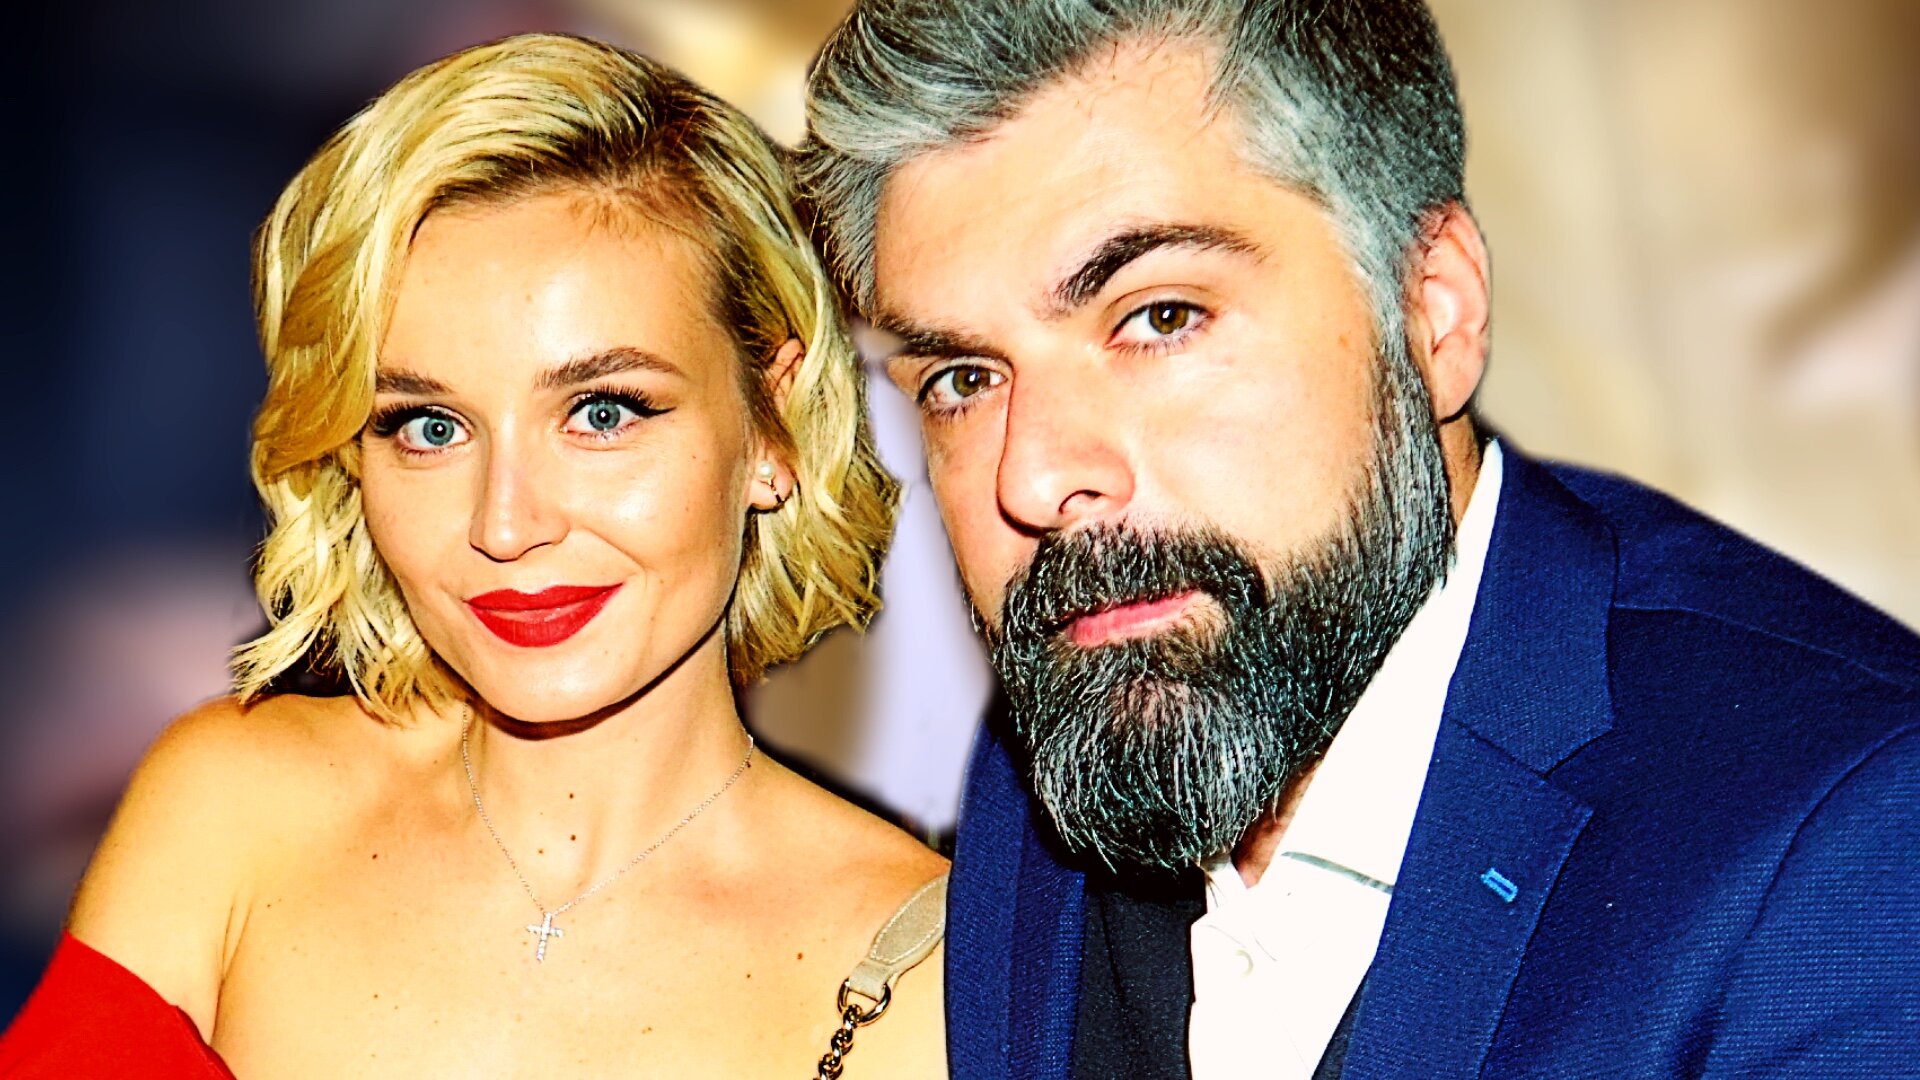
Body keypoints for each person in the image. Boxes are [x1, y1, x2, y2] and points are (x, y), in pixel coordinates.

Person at [797, 1, 1920, 1077]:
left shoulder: (1850, 847)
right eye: (963, 378)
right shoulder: (1065, 734)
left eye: (1160, 317)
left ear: (1434, 310)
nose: (1034, 477)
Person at [0, 32, 947, 1079]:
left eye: (602, 411)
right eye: (430, 427)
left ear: (773, 427)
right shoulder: (232, 809)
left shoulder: (923, 978)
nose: (504, 524)